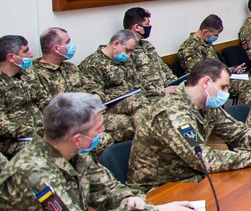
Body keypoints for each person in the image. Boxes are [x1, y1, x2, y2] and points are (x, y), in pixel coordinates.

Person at [0, 92, 198, 211]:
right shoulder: (34, 173)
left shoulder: (75, 154)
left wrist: (129, 199)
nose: (103, 131)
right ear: (77, 139)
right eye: (98, 128)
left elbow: (109, 189)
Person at [128, 58, 251, 191]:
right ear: (206, 82)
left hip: (192, 180)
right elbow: (205, 159)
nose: (226, 93)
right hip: (161, 191)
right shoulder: (172, 113)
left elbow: (237, 132)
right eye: (223, 87)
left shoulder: (206, 105)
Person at [31, 28, 113, 156]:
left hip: (90, 116)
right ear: (56, 48)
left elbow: (91, 86)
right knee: (103, 139)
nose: (71, 45)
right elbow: (47, 107)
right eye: (67, 42)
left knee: (126, 124)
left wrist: (96, 96)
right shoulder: (36, 74)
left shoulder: (70, 67)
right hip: (68, 125)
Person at [78, 30, 146, 141]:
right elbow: (95, 96)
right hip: (108, 107)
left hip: (132, 102)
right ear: (116, 44)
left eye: (131, 52)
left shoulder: (125, 61)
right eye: (127, 50)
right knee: (130, 122)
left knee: (148, 110)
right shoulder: (93, 64)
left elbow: (136, 83)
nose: (129, 55)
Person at [176, 14, 251, 103]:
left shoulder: (206, 43)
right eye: (215, 35)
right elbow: (199, 73)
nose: (216, 37)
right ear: (206, 32)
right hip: (208, 84)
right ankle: (247, 110)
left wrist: (232, 69)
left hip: (217, 78)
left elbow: (215, 67)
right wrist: (226, 73)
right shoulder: (189, 48)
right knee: (250, 84)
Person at [0, 34, 52, 157]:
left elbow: (45, 101)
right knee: (45, 150)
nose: (31, 55)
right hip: (15, 140)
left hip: (44, 130)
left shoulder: (28, 73)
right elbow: (2, 125)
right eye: (25, 51)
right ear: (11, 57)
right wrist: (35, 132)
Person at [123, 7, 176, 97]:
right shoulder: (126, 51)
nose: (149, 27)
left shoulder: (147, 45)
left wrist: (176, 83)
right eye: (147, 24)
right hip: (152, 97)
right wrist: (162, 91)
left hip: (168, 90)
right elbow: (134, 85)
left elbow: (164, 68)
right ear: (136, 27)